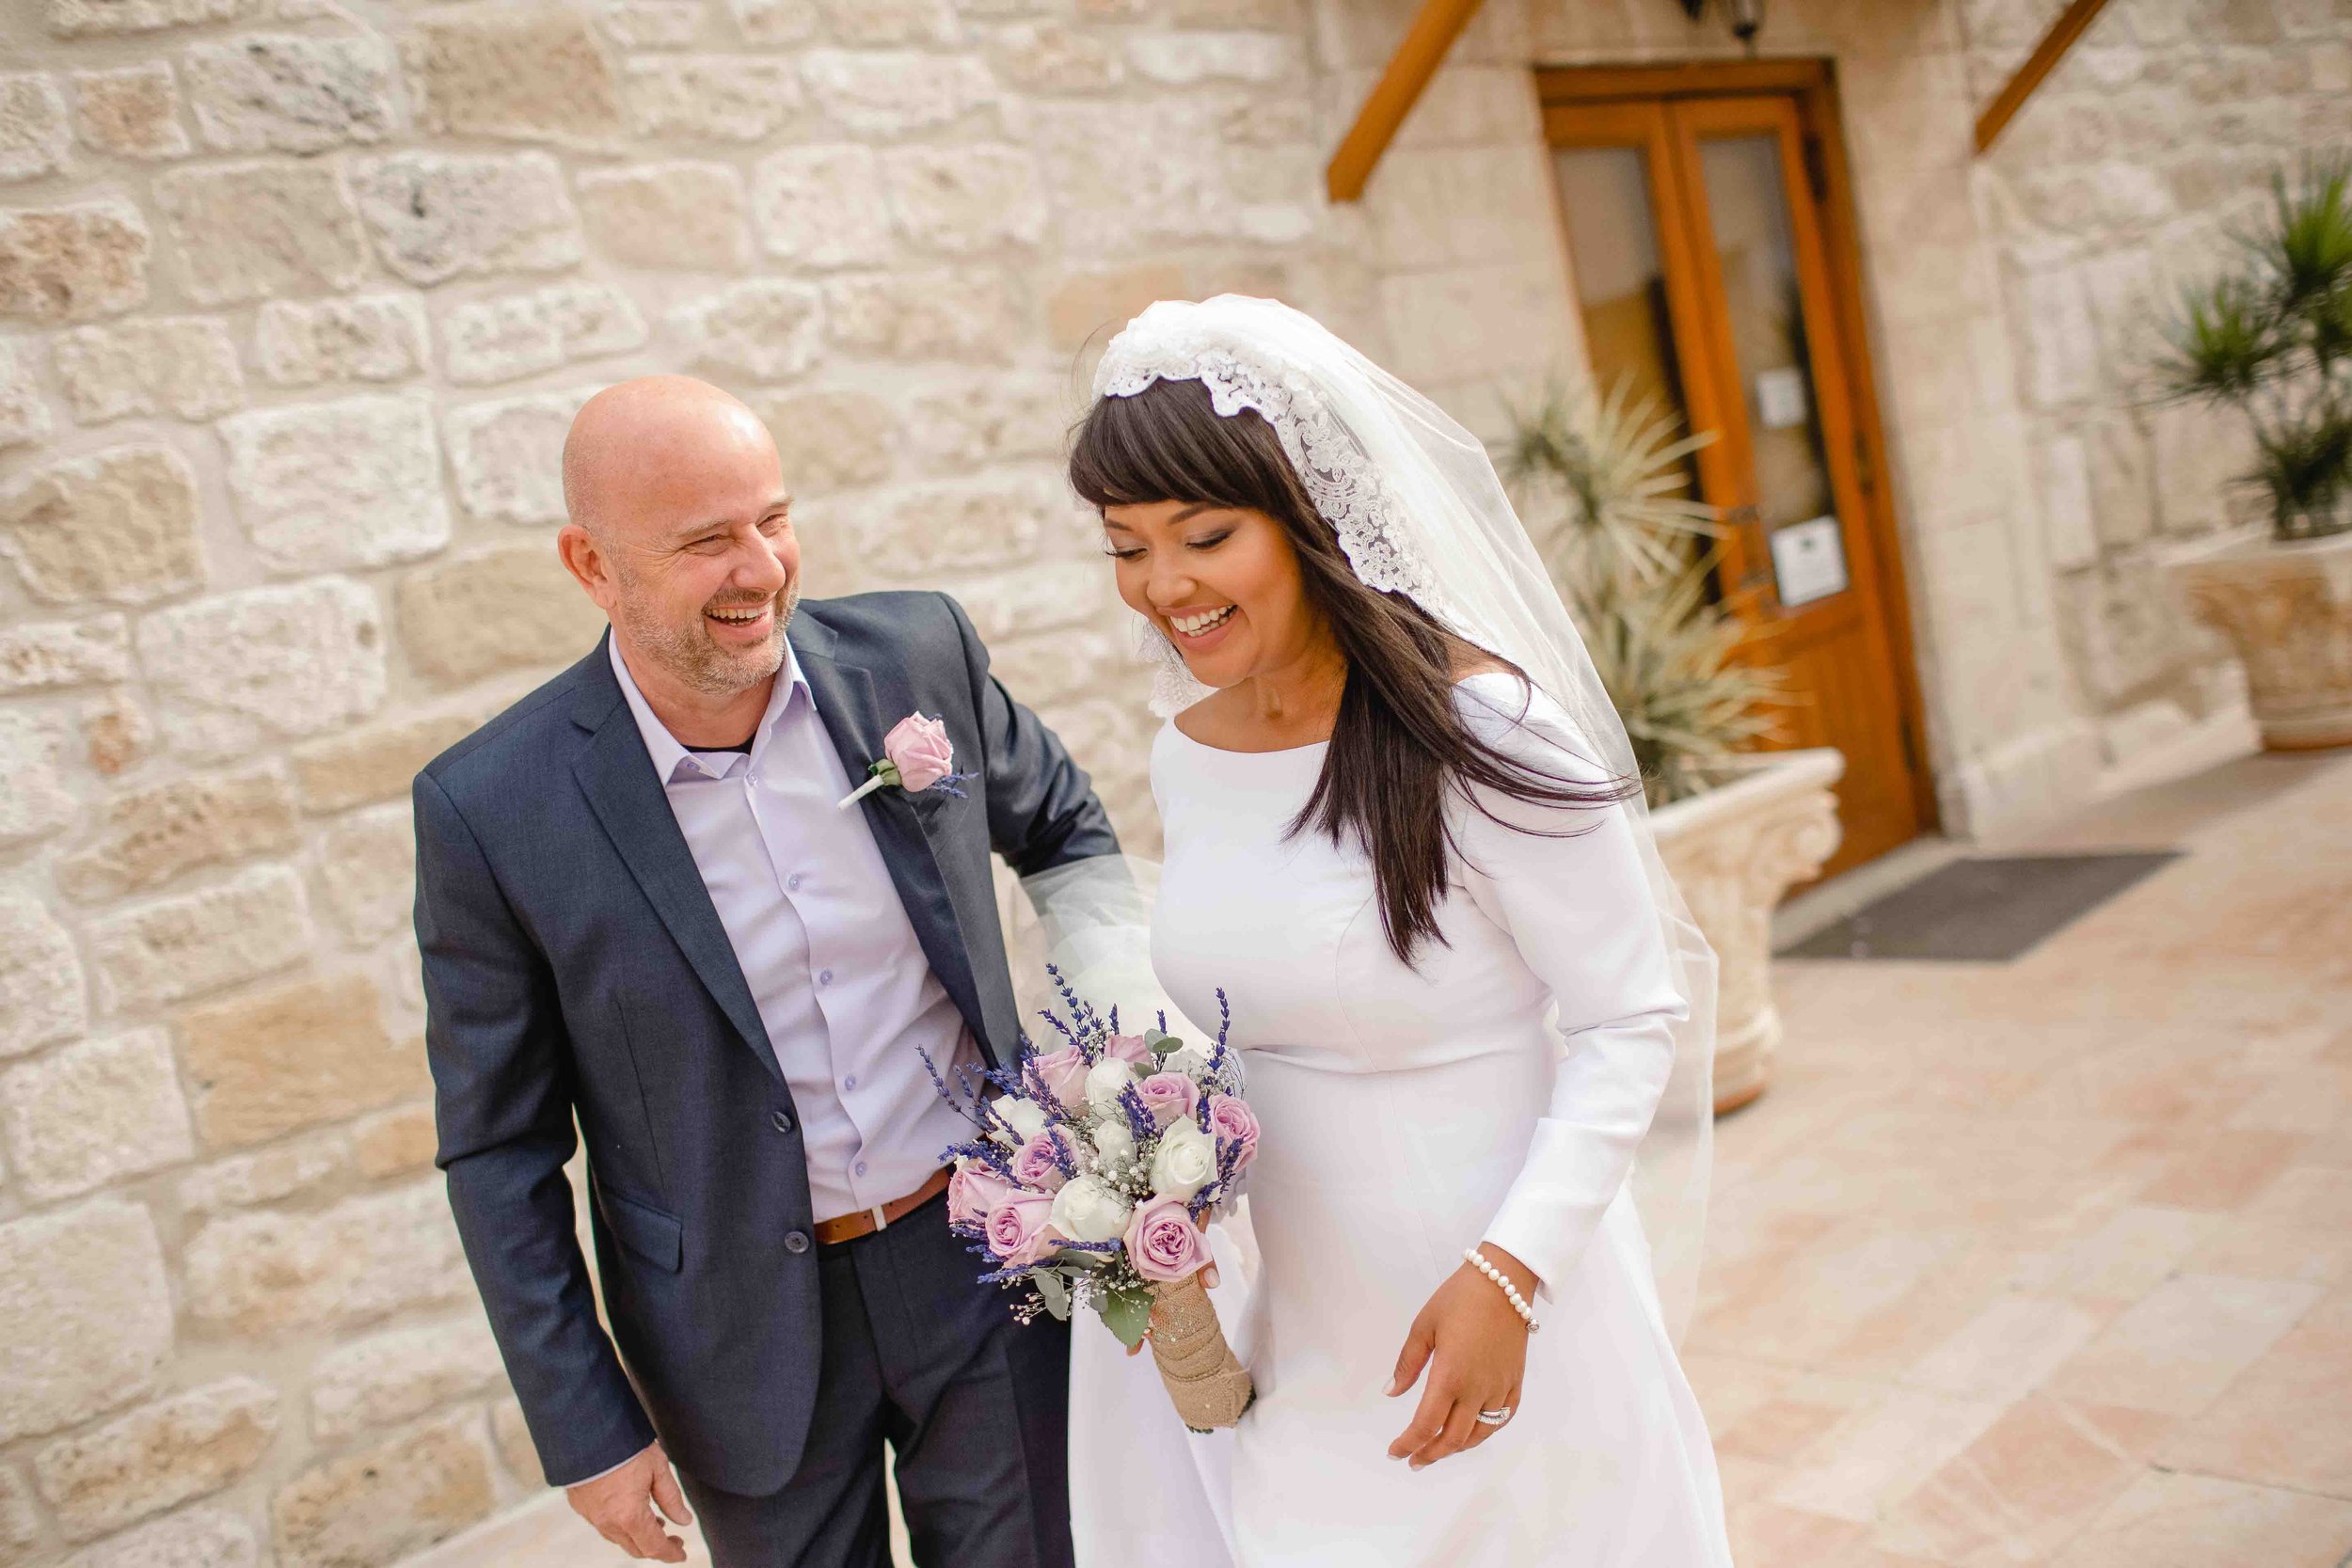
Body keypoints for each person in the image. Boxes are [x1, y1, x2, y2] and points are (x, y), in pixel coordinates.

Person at [1058, 297, 1734, 1564]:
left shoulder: (1483, 732)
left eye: (1204, 535)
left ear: (1311, 518)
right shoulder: (1189, 753)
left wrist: (1511, 1273)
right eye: (1126, 547)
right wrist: (1142, 1178)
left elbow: (1627, 1014)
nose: (1163, 586)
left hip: (1498, 1298)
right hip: (1299, 1322)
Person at [412, 375, 1114, 1567]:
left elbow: (1066, 832)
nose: (762, 569)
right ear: (592, 565)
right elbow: (499, 1147)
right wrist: (585, 1423)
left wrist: (1109, 1077)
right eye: (704, 542)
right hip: (732, 1335)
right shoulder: (492, 806)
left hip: (986, 1270)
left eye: (772, 518)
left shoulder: (914, 656)